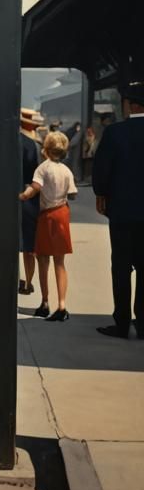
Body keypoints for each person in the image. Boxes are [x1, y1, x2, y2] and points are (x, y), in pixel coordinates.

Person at [92, 80, 144, 339]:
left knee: (121, 267)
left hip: (122, 211)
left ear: (130, 105)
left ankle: (122, 323)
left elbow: (102, 168)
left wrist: (101, 193)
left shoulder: (115, 132)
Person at [20, 131, 77, 321]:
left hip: (47, 215)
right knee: (60, 262)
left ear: (46, 149)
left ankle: (45, 302)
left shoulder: (42, 168)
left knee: (43, 260)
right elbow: (73, 194)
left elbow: (35, 188)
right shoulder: (66, 170)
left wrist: (23, 196)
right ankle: (62, 305)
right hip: (62, 213)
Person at [19, 109, 44, 296]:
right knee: (29, 246)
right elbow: (37, 176)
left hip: (7, 197)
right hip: (29, 198)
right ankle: (28, 282)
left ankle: (12, 278)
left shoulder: (7, 141)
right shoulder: (33, 145)